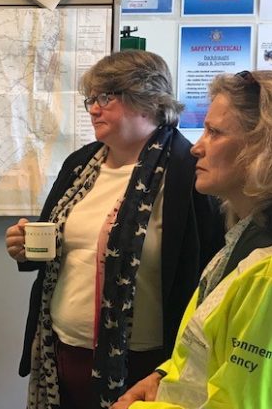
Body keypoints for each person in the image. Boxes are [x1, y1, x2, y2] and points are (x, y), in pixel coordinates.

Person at [5, 50, 225, 409]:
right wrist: (24, 248)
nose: (93, 108)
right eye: (91, 98)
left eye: (106, 97)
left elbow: (208, 275)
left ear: (148, 101)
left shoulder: (190, 172)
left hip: (145, 364)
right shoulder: (81, 165)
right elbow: (54, 245)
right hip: (62, 351)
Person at [113, 70, 272, 409]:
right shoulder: (243, 235)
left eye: (214, 133)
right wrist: (162, 376)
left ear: (262, 146)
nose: (197, 147)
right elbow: (210, 351)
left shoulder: (267, 270)